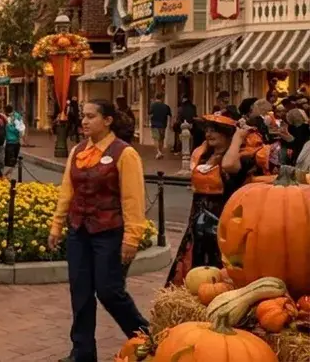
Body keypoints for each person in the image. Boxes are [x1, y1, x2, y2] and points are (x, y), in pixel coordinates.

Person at [48, 99, 149, 362]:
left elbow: (133, 199)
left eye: (91, 116)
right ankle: (82, 352)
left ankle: (147, 338)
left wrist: (132, 238)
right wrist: (57, 225)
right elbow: (67, 190)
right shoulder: (78, 150)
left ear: (107, 121)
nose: (84, 121)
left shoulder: (124, 153)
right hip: (79, 231)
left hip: (108, 231)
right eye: (83, 116)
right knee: (80, 292)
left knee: (109, 291)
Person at [165, 113, 249, 287]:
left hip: (221, 221)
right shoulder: (204, 155)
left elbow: (229, 166)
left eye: (214, 131)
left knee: (216, 269)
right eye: (207, 130)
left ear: (227, 134)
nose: (208, 134)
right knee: (194, 261)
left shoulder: (237, 156)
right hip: (198, 219)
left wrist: (238, 138)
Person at [148, 94, 172, 159]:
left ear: (156, 98)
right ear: (162, 98)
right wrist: (170, 124)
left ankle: (158, 152)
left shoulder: (153, 105)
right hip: (163, 125)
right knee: (161, 139)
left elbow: (149, 114)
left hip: (154, 125)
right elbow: (170, 116)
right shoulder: (166, 106)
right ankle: (160, 152)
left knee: (156, 138)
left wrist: (150, 122)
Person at [5, 104, 26, 169]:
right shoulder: (18, 116)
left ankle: (9, 173)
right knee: (13, 161)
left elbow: (17, 128)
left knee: (9, 162)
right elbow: (21, 129)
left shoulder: (7, 117)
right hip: (16, 141)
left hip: (9, 142)